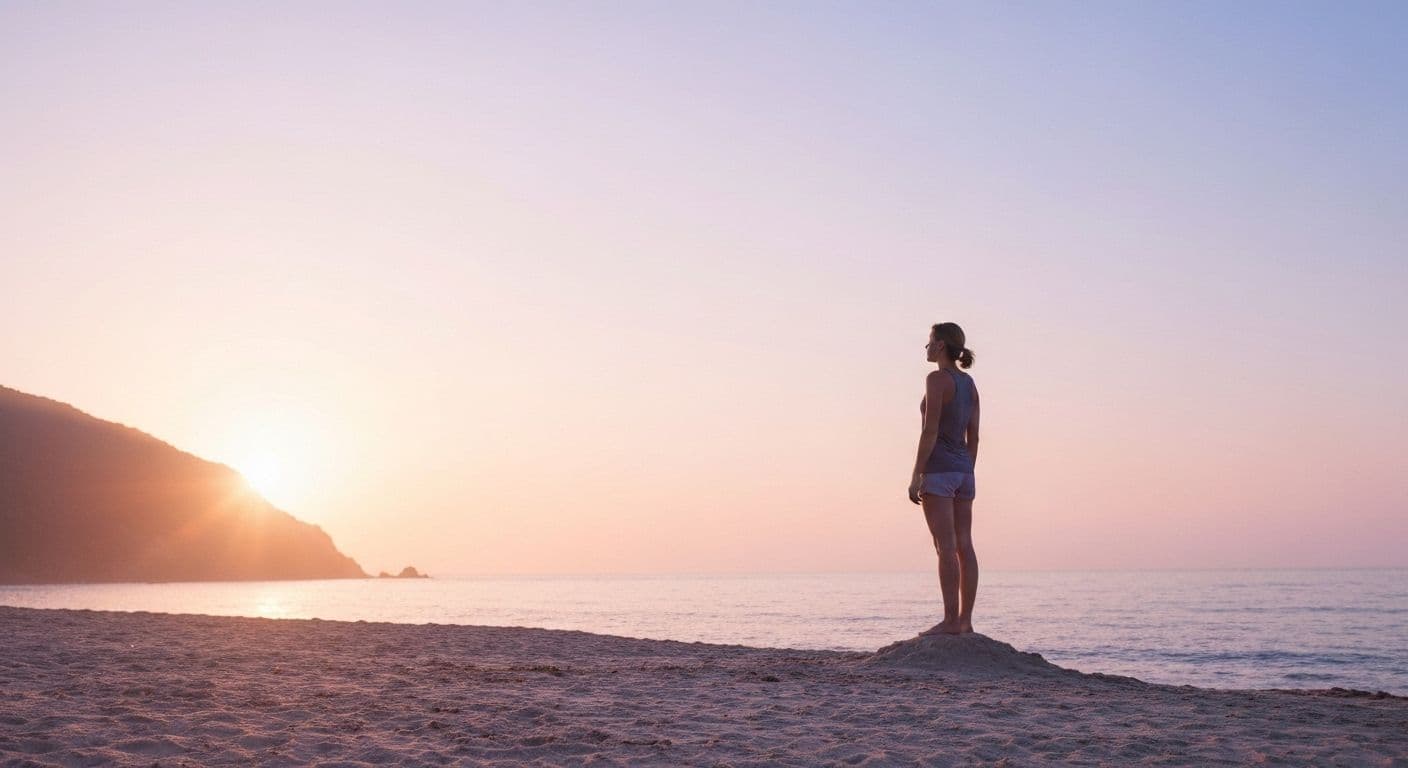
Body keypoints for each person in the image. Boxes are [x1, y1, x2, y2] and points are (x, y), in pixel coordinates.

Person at [908, 322, 980, 635]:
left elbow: (930, 430)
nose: (926, 347)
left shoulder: (936, 379)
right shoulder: (969, 383)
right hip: (964, 472)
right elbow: (974, 435)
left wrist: (916, 473)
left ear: (940, 346)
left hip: (938, 469)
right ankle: (965, 621)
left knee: (945, 546)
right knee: (965, 545)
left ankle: (950, 621)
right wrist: (966, 470)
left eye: (929, 342)